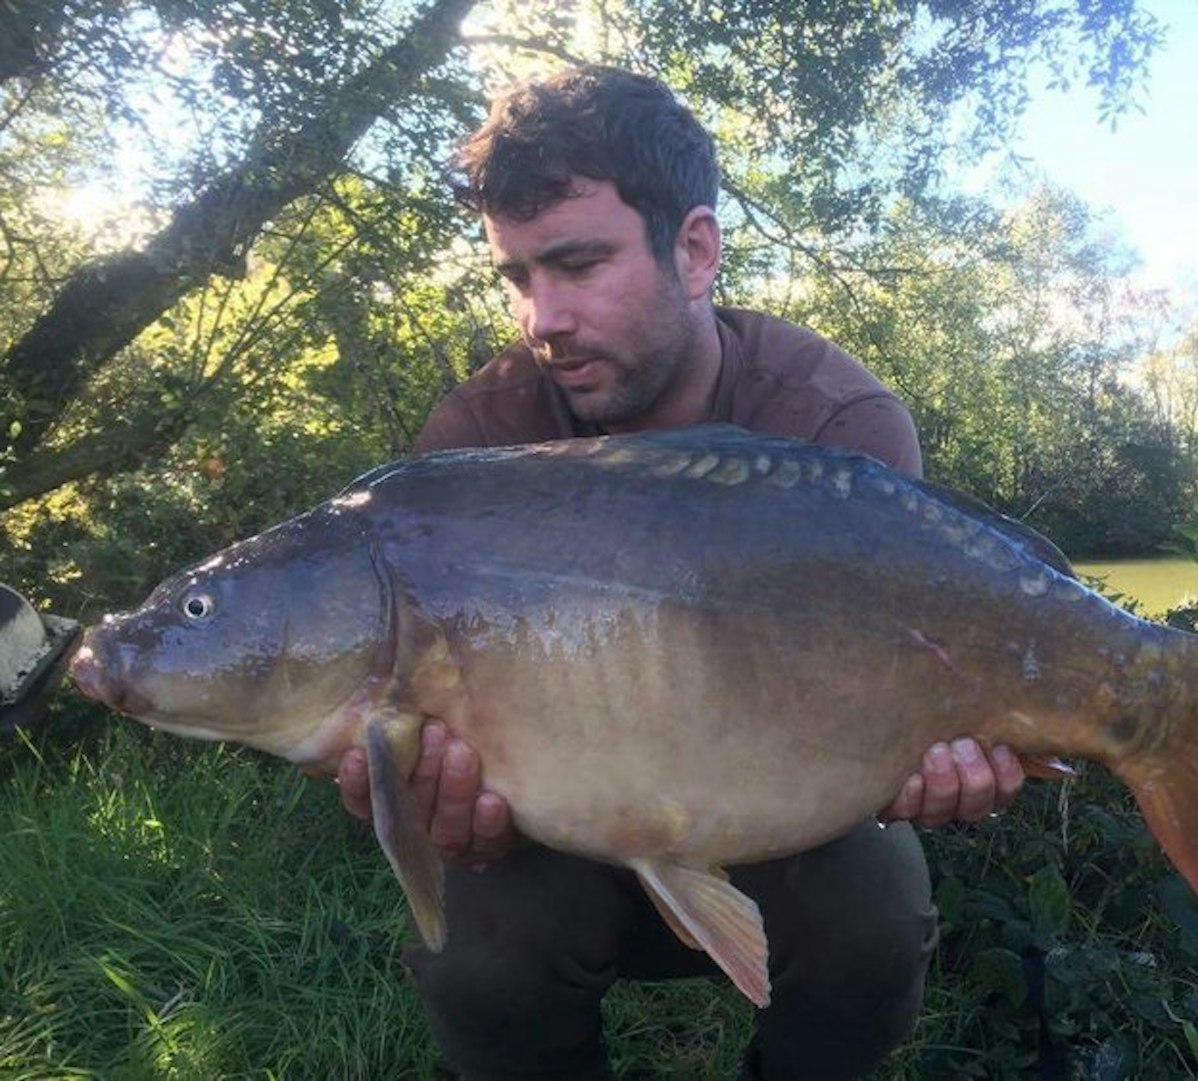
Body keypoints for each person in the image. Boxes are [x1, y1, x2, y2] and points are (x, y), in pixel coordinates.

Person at [336, 65, 1024, 1081]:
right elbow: (440, 771)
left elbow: (885, 707)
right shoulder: (478, 445)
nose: (543, 319)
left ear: (695, 249)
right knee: (479, 957)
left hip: (781, 809)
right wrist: (432, 803)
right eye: (519, 277)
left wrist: (930, 759)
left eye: (577, 264)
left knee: (875, 920)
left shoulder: (834, 423)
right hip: (558, 833)